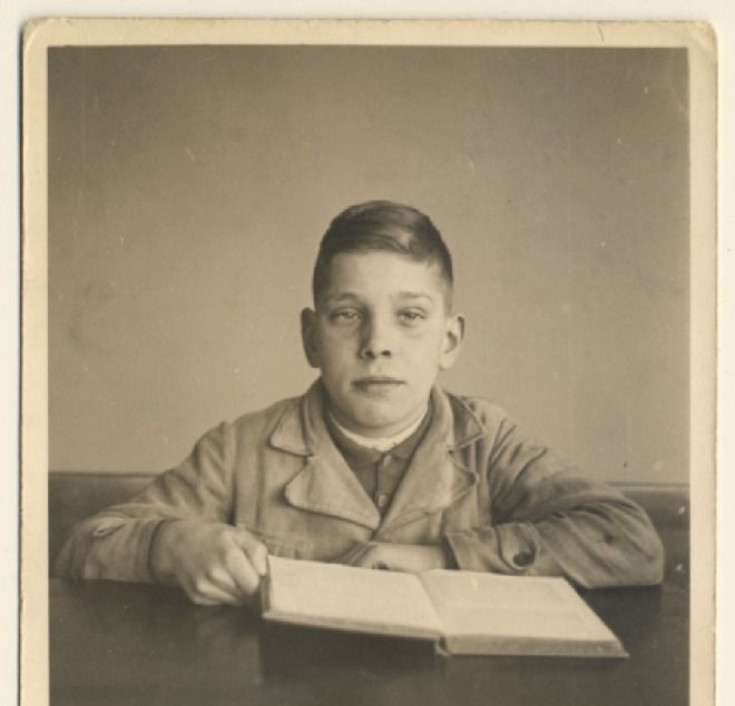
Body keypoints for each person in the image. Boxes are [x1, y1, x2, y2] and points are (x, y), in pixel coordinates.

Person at [55, 201, 664, 605]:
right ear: (311, 337)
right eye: (349, 316)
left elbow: (631, 541)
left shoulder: (490, 441)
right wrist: (171, 545)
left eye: (410, 318)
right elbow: (87, 543)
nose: (378, 345)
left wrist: (441, 559)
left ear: (448, 341)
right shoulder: (240, 449)